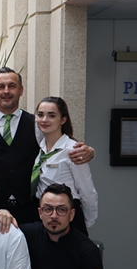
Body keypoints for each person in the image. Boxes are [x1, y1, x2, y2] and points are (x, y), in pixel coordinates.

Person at [0, 67, 94, 224]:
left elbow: (59, 145)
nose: (6, 91)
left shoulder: (37, 125)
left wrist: (90, 151)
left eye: (12, 86)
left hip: (31, 211)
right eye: (1, 87)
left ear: (21, 90)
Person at [33, 97, 98, 234]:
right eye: (40, 115)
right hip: (45, 215)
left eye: (51, 115)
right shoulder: (41, 147)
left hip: (68, 217)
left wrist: (85, 221)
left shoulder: (73, 150)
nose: (44, 119)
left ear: (63, 119)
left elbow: (87, 190)